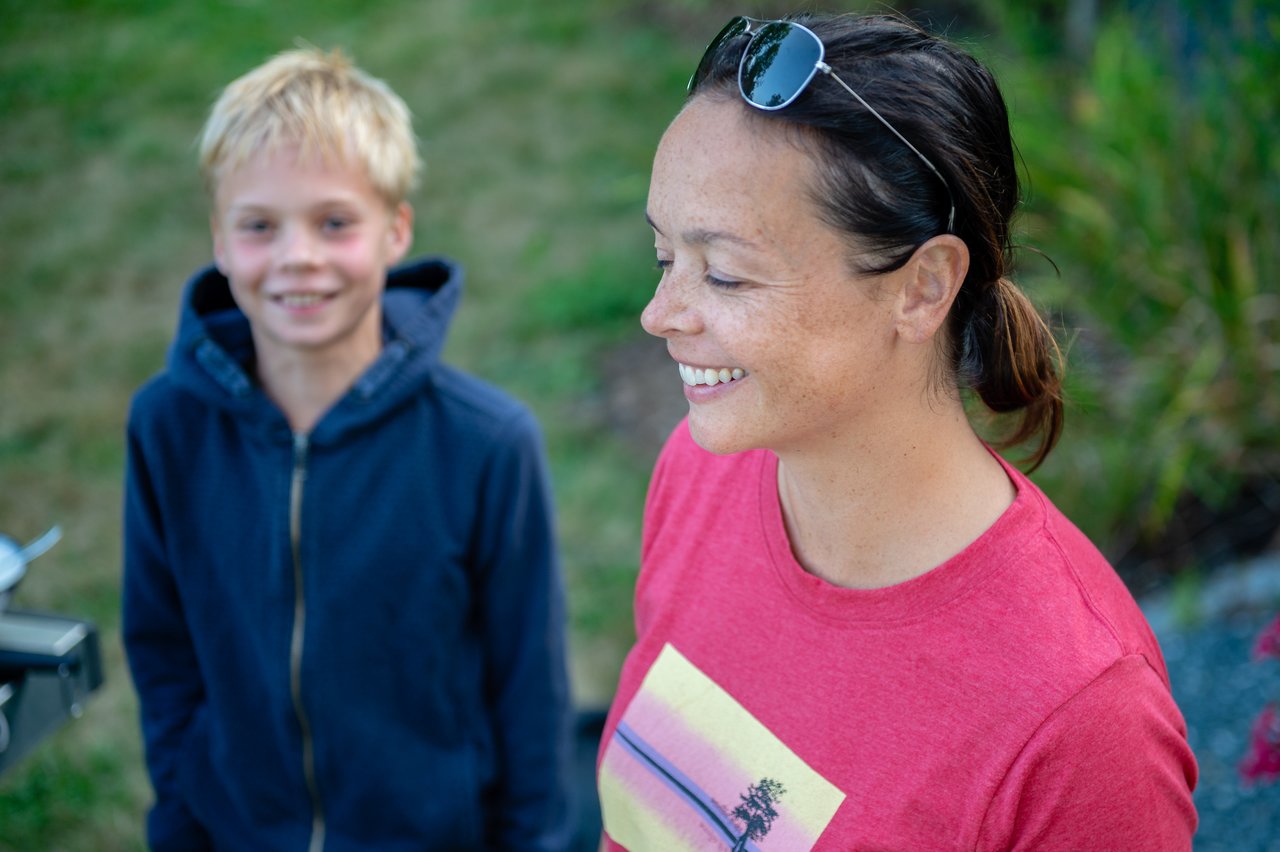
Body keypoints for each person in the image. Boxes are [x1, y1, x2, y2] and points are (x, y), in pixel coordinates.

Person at [596, 12, 1197, 850]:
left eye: (726, 275)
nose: (659, 315)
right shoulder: (701, 476)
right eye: (666, 258)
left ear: (922, 288)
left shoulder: (1081, 718)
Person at [122, 47, 571, 850]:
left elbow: (530, 693)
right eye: (260, 226)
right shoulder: (166, 427)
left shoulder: (488, 444)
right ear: (220, 242)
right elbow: (163, 652)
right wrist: (181, 819)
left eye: (335, 222)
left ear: (395, 230)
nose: (298, 257)